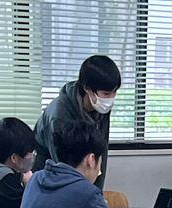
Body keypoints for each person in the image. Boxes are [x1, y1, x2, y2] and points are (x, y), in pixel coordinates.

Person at [34, 54, 122, 193]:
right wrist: (85, 198)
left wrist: (96, 195)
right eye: (106, 94)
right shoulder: (59, 115)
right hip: (49, 182)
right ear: (87, 88)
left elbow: (100, 154)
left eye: (114, 92)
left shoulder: (100, 108)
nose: (111, 99)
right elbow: (63, 168)